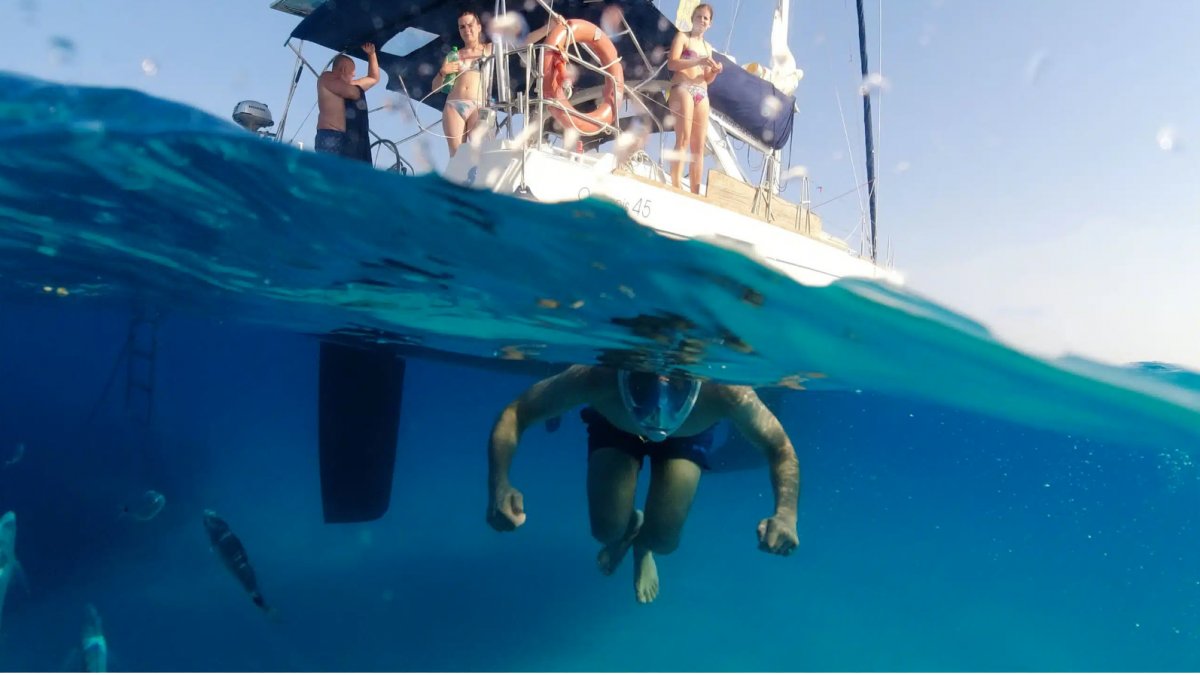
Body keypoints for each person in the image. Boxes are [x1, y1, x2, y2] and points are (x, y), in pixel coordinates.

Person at [485, 365, 800, 604]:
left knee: (664, 541)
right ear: (625, 372)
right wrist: (500, 483)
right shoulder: (597, 377)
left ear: (695, 380)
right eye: (642, 384)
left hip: (687, 433)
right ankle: (630, 526)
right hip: (615, 424)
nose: (658, 414)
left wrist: (786, 513)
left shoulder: (727, 391)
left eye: (675, 386)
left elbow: (780, 449)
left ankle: (643, 546)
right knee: (605, 531)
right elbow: (517, 413)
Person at [667, 3, 723, 194]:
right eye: (699, 16)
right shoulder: (683, 37)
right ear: (693, 18)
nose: (701, 20)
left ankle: (695, 192)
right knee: (683, 138)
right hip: (682, 87)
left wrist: (715, 72)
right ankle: (675, 185)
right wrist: (698, 60)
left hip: (702, 92)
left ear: (710, 24)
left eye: (705, 18)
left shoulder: (708, 47)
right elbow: (672, 63)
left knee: (698, 147)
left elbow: (707, 77)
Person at [432, 10, 495, 157]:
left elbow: (521, 42)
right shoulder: (454, 55)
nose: (467, 30)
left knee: (479, 153)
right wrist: (442, 72)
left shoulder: (489, 49)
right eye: (462, 27)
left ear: (479, 27)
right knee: (457, 156)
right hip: (454, 106)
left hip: (478, 105)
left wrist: (548, 29)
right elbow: (435, 89)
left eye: (470, 25)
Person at [315, 43, 380, 162]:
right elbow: (353, 93)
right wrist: (357, 88)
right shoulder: (326, 78)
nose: (353, 77)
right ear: (344, 70)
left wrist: (372, 54)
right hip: (330, 136)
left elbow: (374, 78)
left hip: (347, 141)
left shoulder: (348, 84)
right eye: (352, 74)